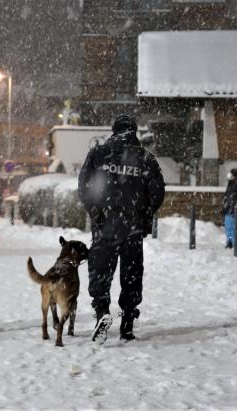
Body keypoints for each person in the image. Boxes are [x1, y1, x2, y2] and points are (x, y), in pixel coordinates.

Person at [78, 114, 165, 344]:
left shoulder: (98, 154)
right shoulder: (146, 159)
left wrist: (94, 209)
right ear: (134, 132)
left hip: (105, 224)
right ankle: (127, 319)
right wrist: (145, 213)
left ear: (114, 130)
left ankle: (102, 311)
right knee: (132, 273)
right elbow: (157, 192)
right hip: (133, 228)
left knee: (100, 271)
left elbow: (84, 185)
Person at [222, 168, 237, 249]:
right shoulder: (230, 185)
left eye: (232, 175)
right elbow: (227, 198)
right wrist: (225, 207)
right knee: (228, 227)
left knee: (233, 227)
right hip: (229, 210)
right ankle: (230, 242)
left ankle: (236, 243)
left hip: (234, 210)